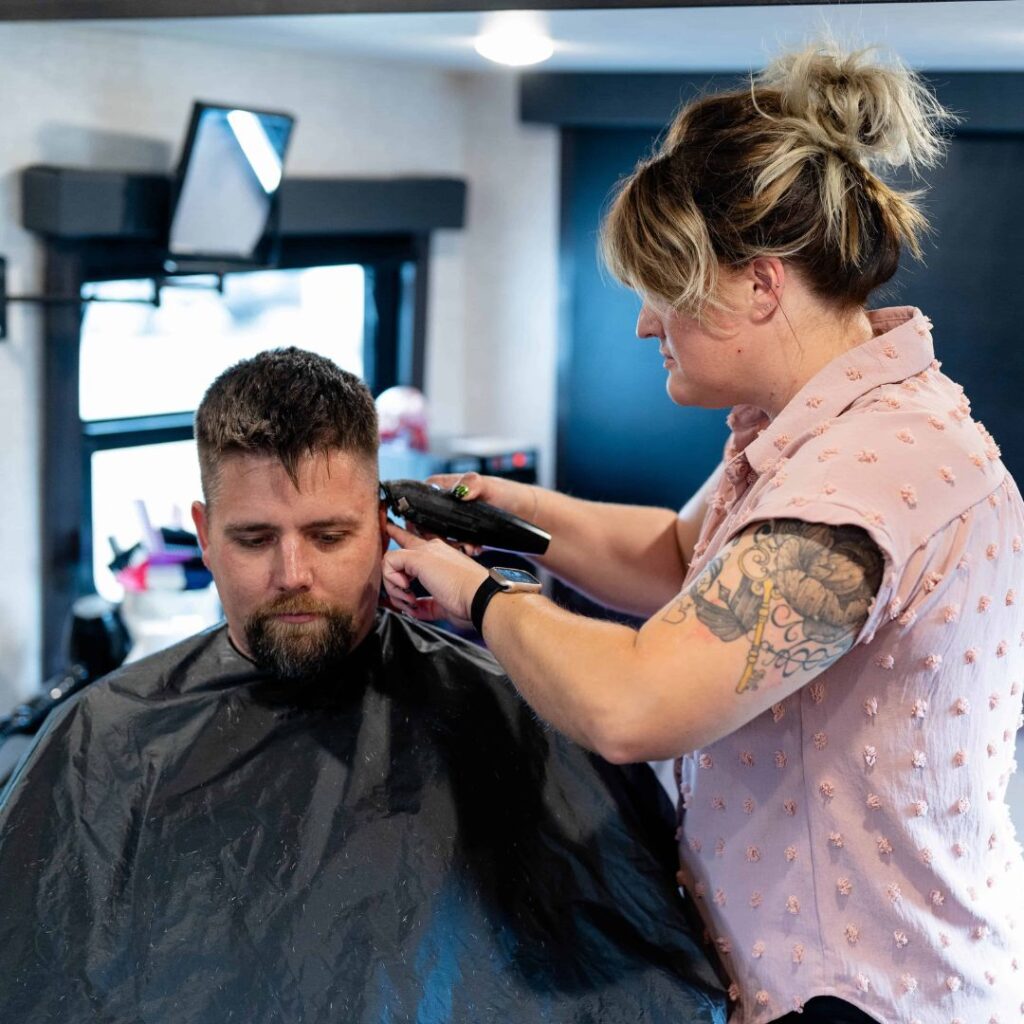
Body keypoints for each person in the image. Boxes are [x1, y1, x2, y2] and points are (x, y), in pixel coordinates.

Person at [382, 43, 1024, 1024]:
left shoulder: (868, 479)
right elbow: (691, 565)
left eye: (663, 289)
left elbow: (634, 703)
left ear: (760, 286)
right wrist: (505, 519)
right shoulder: (814, 428)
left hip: (871, 999)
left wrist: (476, 591)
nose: (646, 325)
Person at [0, 349, 726, 1023]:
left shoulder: (506, 711)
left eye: (328, 536)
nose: (293, 575)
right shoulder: (108, 740)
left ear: (384, 528)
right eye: (255, 539)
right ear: (204, 532)